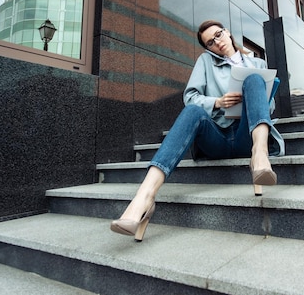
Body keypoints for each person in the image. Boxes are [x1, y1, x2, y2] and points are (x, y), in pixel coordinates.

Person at [110, 20, 284, 241]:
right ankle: (143, 198)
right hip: (217, 138)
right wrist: (218, 102)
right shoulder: (206, 62)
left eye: (219, 35)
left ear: (228, 33)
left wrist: (253, 97)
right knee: (192, 110)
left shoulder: (258, 63)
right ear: (207, 48)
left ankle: (260, 157)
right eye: (210, 42)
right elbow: (190, 97)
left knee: (253, 79)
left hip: (246, 137)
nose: (217, 42)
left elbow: (268, 107)